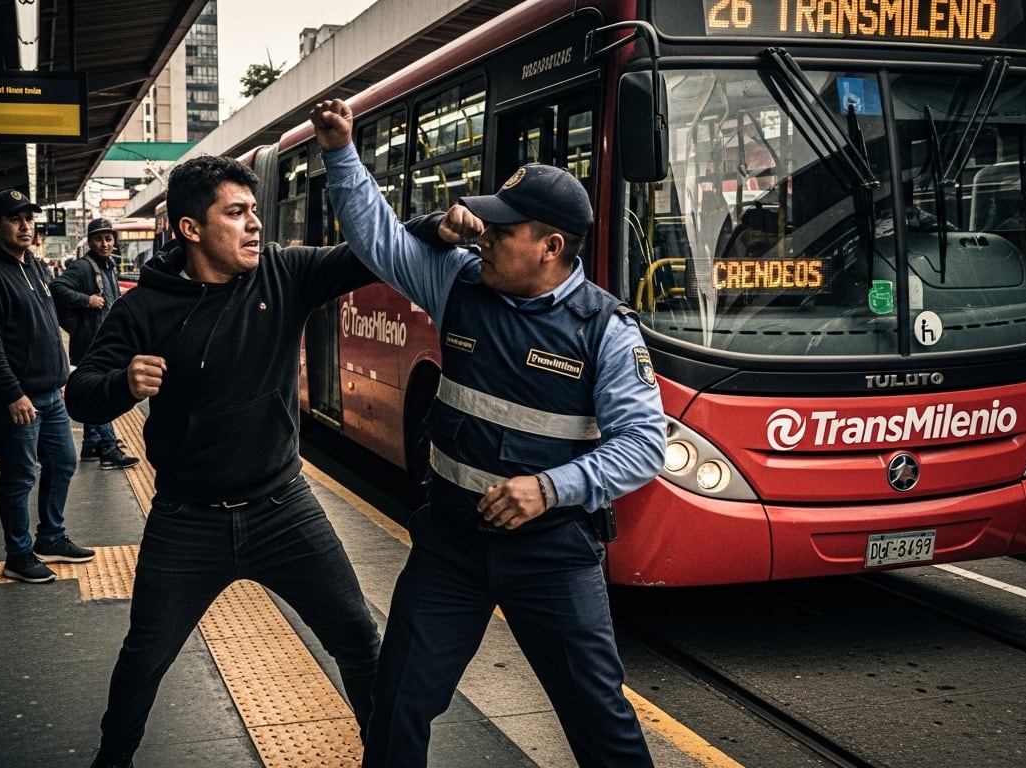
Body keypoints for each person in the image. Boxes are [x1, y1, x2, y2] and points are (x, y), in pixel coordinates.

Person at [312, 98, 666, 767]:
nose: (486, 237)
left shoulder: (605, 330)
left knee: (601, 723)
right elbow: (376, 239)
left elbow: (645, 443)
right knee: (398, 701)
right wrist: (340, 151)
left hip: (552, 555)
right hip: (451, 546)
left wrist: (551, 488)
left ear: (551, 248)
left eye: (504, 230)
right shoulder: (460, 283)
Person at [64, 155, 386, 768]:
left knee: (359, 639)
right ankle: (113, 760)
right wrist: (122, 384)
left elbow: (368, 251)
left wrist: (442, 227)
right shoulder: (142, 309)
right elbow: (83, 394)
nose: (254, 225)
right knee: (144, 657)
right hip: (187, 520)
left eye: (254, 212)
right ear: (190, 229)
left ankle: (386, 752)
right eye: (235, 213)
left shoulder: (283, 275)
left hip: (284, 510)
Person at [0, 189, 91, 583]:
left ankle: (50, 536)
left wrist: (63, 374)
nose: (25, 226)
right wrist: (13, 393)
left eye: (28, 219)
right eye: (15, 219)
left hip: (50, 392)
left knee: (64, 461)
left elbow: (46, 324)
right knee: (19, 476)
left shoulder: (32, 264)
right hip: (17, 397)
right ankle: (18, 554)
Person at [50, 218, 138, 471]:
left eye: (108, 238)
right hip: (89, 341)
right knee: (99, 392)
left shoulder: (109, 265)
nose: (105, 243)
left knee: (92, 390)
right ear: (90, 242)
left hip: (101, 339)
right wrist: (86, 299)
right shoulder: (82, 267)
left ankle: (91, 445)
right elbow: (56, 286)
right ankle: (108, 447)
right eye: (99, 239)